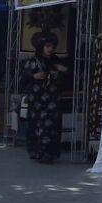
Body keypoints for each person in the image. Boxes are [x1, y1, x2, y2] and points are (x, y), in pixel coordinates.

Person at [20, 32, 66, 163]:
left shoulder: (56, 61)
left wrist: (62, 71)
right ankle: (38, 152)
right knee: (38, 126)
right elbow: (23, 80)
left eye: (52, 46)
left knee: (52, 126)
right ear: (41, 47)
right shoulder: (33, 62)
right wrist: (33, 77)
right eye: (47, 46)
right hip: (37, 101)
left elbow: (65, 78)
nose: (50, 49)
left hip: (52, 100)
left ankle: (51, 153)